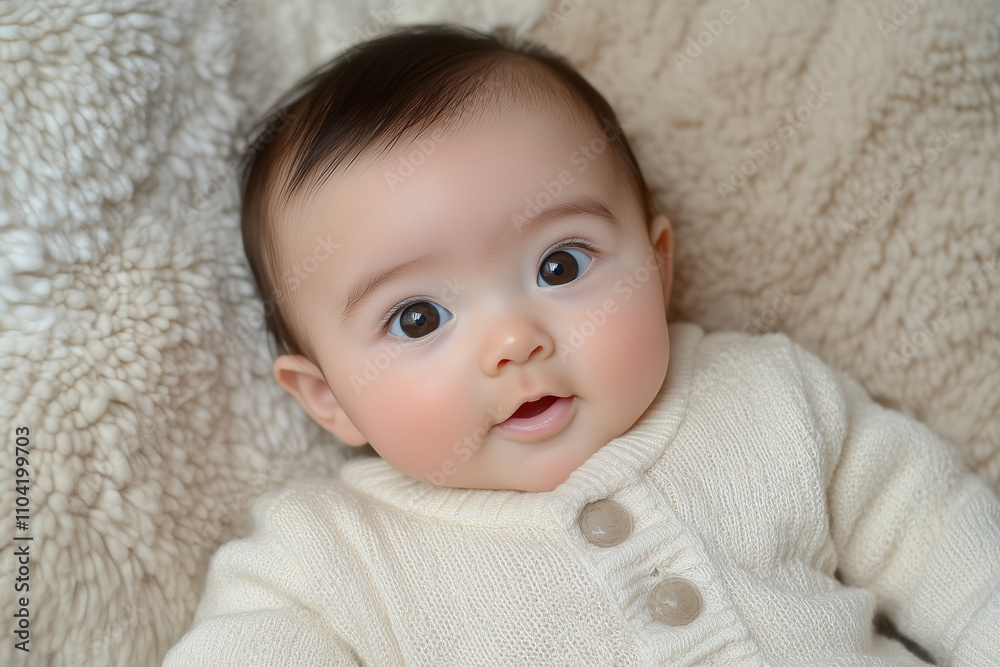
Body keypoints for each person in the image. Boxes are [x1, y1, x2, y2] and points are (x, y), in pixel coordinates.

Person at [163, 24, 1000, 665]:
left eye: (560, 264)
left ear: (658, 264)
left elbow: (937, 529)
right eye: (417, 317)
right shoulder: (328, 558)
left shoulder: (768, 396)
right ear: (330, 397)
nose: (514, 339)